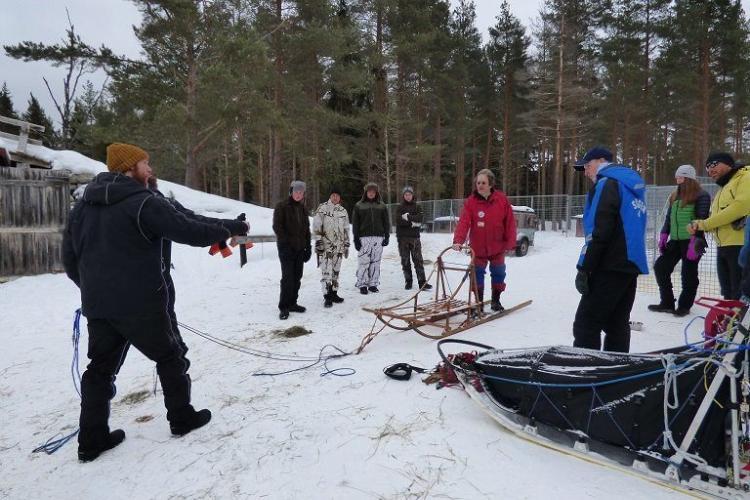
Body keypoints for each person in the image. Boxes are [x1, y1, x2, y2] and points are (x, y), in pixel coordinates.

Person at [62, 143, 249, 462]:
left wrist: (95, 289)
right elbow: (188, 229)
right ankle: (182, 418)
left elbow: (69, 259)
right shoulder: (141, 202)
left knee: (100, 370)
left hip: (100, 307)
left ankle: (91, 439)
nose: (150, 169)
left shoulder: (83, 206)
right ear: (128, 167)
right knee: (170, 356)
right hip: (141, 305)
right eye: (145, 163)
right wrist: (231, 230)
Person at [572, 146, 648, 353]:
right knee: (617, 324)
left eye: (586, 166)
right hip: (629, 263)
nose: (586, 172)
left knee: (586, 324)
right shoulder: (631, 187)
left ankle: (585, 374)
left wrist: (585, 268)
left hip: (609, 264)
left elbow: (599, 229)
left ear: (599, 161)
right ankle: (615, 373)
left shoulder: (607, 184)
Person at [648, 165, 710, 317]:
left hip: (692, 241)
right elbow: (669, 218)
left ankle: (684, 305)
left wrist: (695, 240)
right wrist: (664, 235)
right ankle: (667, 303)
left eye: (680, 177)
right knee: (661, 267)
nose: (677, 180)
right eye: (677, 177)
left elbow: (701, 218)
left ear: (688, 178)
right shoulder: (675, 195)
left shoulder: (701, 195)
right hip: (675, 241)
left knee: (688, 274)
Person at [452, 168, 516, 312]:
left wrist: (510, 242)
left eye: (483, 182)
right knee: (477, 275)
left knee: (499, 273)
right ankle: (479, 303)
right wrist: (458, 240)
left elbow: (510, 222)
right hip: (478, 248)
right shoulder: (471, 202)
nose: (480, 185)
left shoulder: (501, 200)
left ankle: (496, 301)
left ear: (490, 184)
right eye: (478, 182)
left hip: (497, 247)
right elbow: (464, 222)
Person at [689, 152, 750, 300]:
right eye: (707, 167)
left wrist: (704, 224)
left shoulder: (745, 177)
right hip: (723, 246)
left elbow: (740, 207)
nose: (709, 170)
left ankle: (740, 322)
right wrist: (699, 232)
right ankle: (731, 321)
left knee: (740, 293)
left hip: (740, 245)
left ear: (727, 163)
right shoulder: (723, 187)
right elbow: (719, 217)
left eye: (713, 165)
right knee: (728, 293)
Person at [273, 180, 312, 320]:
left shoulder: (303, 209)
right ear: (291, 191)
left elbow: (306, 230)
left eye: (301, 192)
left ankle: (293, 303)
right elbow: (277, 227)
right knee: (288, 278)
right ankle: (284, 307)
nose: (298, 194)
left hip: (300, 249)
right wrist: (285, 245)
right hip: (286, 249)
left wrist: (308, 247)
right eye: (296, 191)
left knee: (297, 277)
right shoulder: (282, 206)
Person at [312, 187, 350, 308]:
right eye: (333, 195)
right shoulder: (322, 208)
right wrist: (318, 241)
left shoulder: (343, 211)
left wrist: (346, 244)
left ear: (340, 198)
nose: (335, 197)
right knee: (326, 272)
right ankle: (327, 296)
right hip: (326, 247)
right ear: (330, 196)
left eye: (337, 195)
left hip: (339, 247)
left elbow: (346, 229)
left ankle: (334, 293)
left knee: (336, 271)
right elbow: (317, 225)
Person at [351, 182, 390, 294]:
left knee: (375, 262)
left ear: (376, 193)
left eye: (373, 192)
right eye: (369, 191)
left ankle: (373, 284)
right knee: (364, 261)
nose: (371, 193)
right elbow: (356, 224)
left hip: (378, 237)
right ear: (366, 192)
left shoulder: (382, 206)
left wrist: (386, 236)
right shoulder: (359, 205)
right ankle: (362, 284)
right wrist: (356, 240)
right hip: (364, 238)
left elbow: (386, 222)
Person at [396, 186, 432, 291]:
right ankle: (408, 282)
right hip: (402, 238)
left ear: (412, 195)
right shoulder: (400, 207)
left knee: (418, 261)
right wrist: (413, 222)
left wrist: (408, 217)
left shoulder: (417, 206)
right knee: (405, 261)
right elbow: (399, 221)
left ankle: (422, 282)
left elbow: (420, 219)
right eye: (406, 194)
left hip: (415, 238)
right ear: (403, 196)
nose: (408, 196)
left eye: (410, 194)